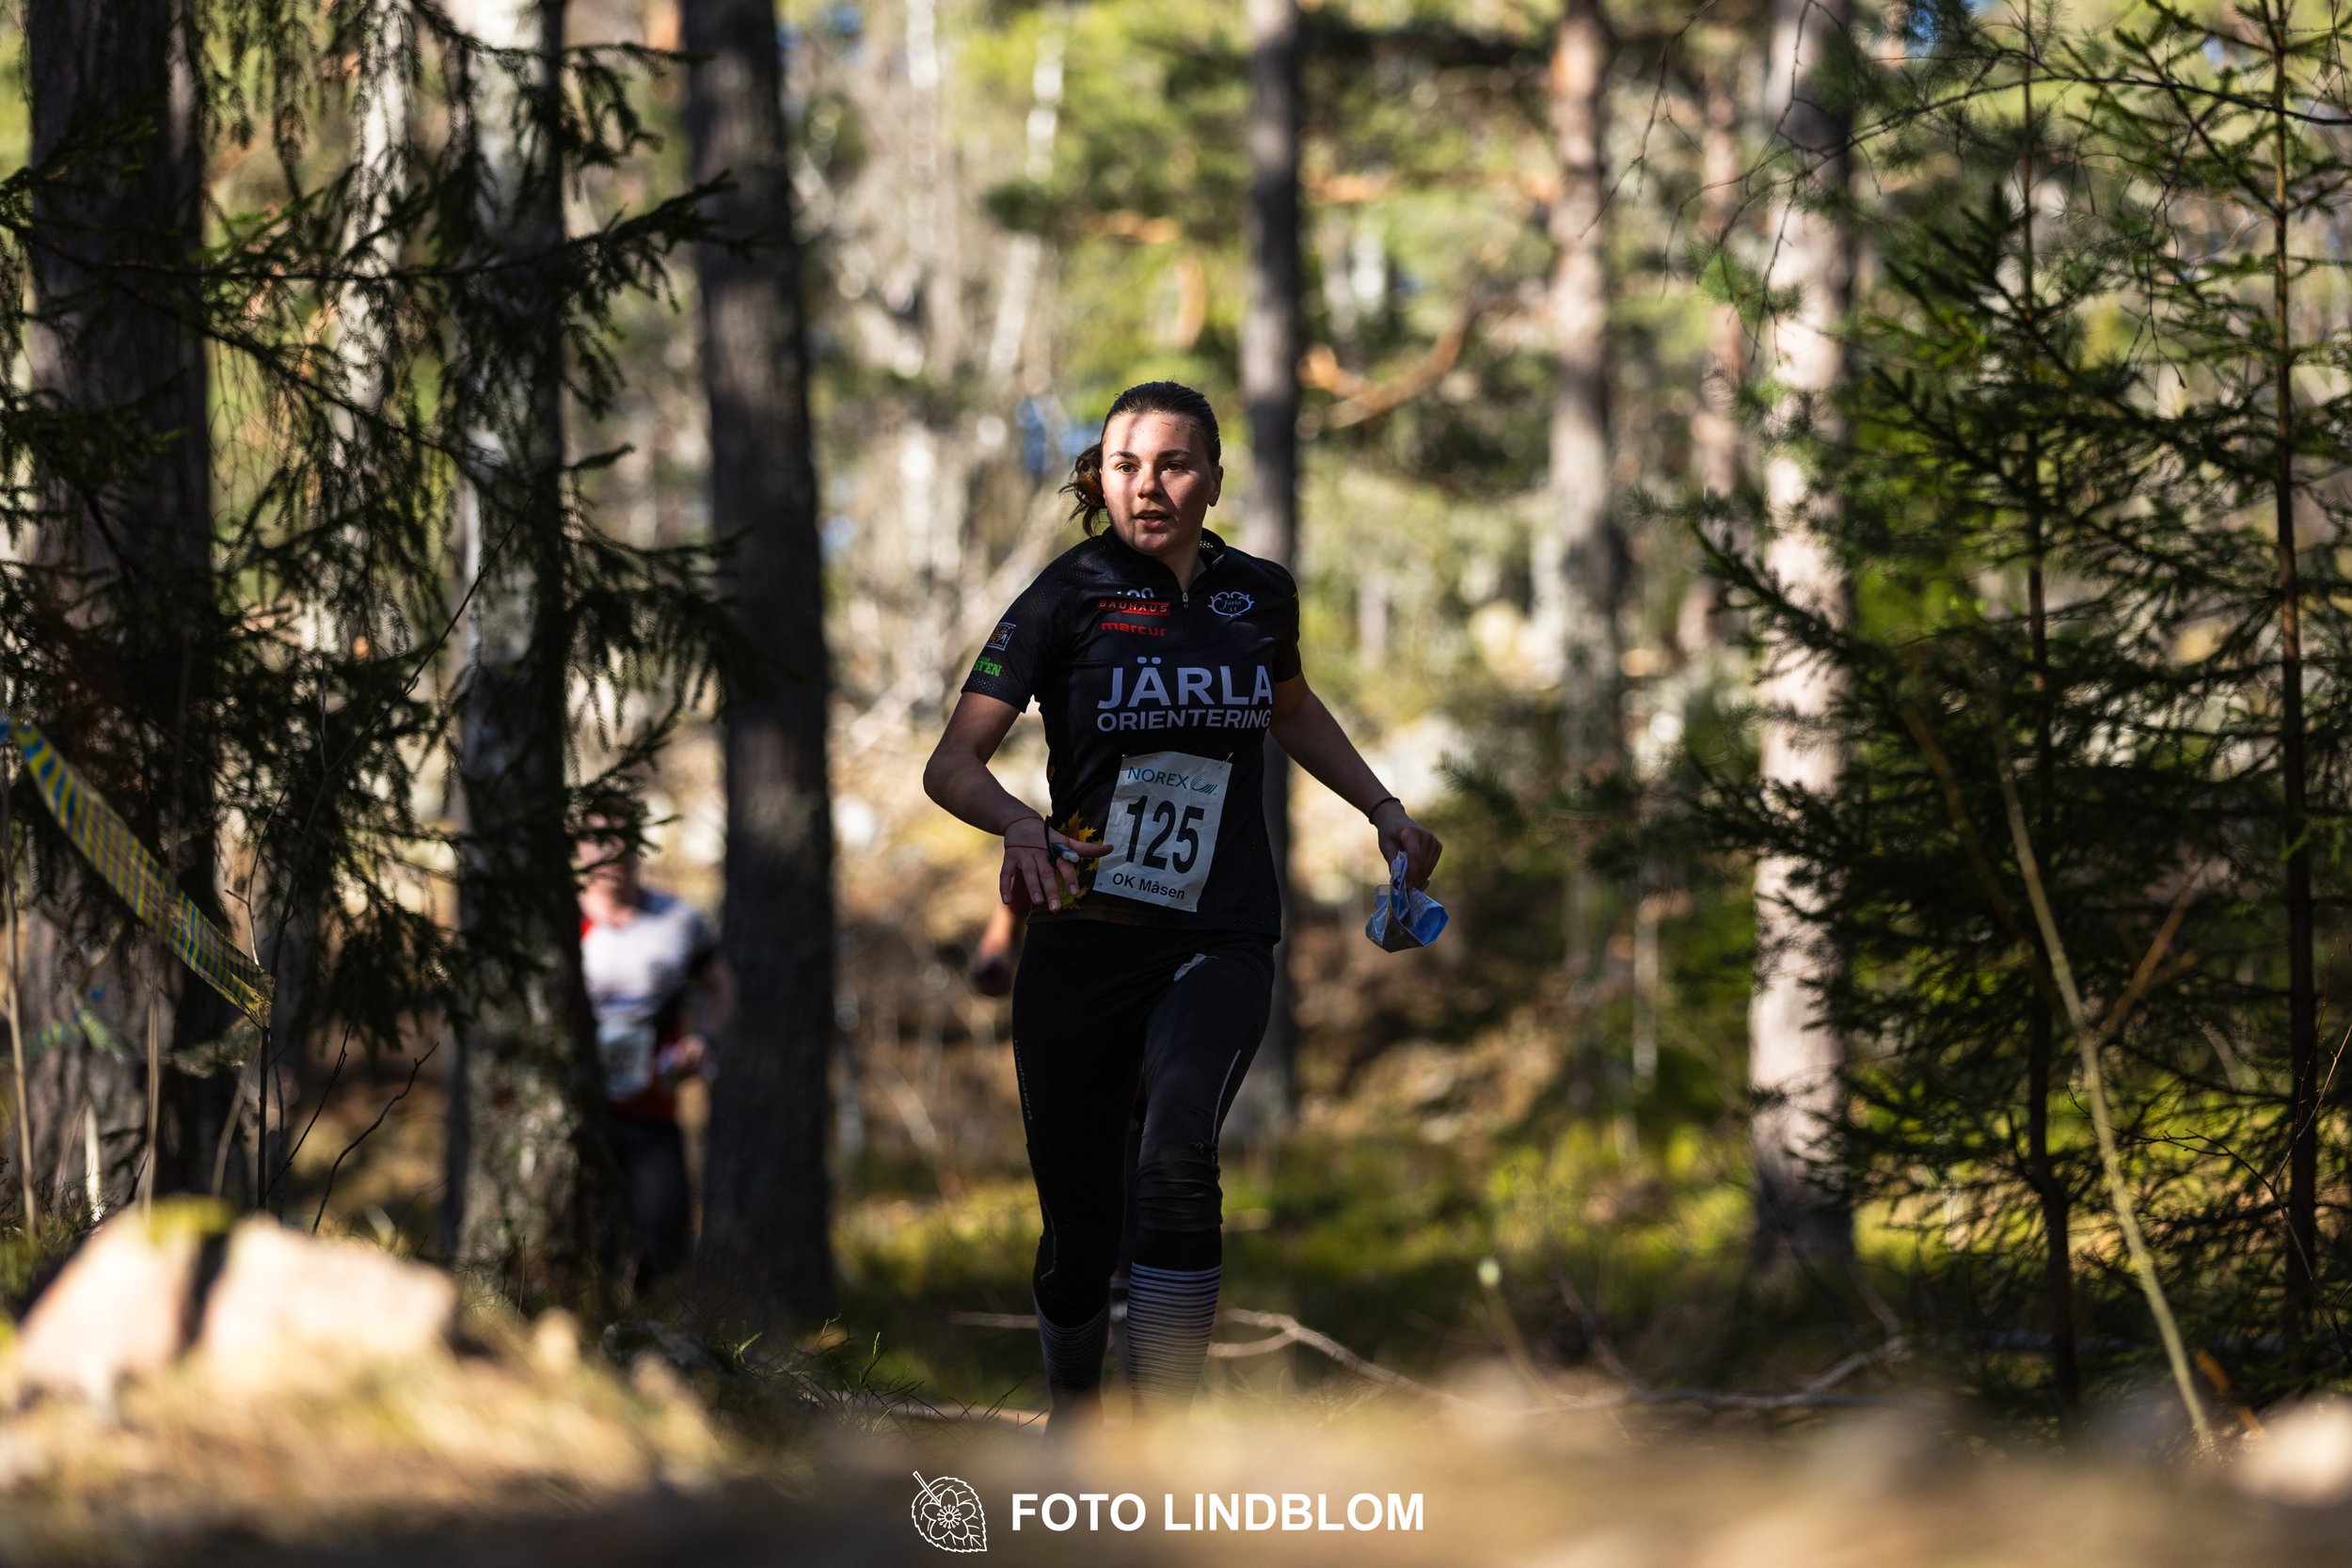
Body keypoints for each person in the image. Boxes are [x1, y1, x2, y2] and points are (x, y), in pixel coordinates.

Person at [923, 381, 1441, 1424]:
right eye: (1123, 464)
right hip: (1081, 941)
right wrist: (1024, 825)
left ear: (1211, 478)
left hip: (1218, 932)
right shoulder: (1064, 594)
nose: (1146, 485)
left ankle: (1163, 1439)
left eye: (1170, 464)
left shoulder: (1259, 594)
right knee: (1078, 1239)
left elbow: (1289, 708)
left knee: (1175, 1156)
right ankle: (1076, 1416)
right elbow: (952, 765)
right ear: (1097, 476)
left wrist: (1382, 807)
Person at [576, 793, 732, 1290]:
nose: (609, 853)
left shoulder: (677, 922)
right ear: (577, 847)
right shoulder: (558, 925)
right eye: (596, 839)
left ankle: (641, 1340)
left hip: (652, 1114)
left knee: (663, 1246)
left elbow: (722, 986)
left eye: (621, 839)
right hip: (574, 1116)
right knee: (578, 1245)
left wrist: (704, 1039)